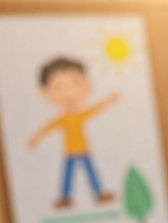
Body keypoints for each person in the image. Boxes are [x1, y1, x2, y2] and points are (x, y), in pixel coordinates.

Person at [27, 56, 119, 209]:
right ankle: (65, 198)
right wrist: (35, 138)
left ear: (88, 86)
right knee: (68, 175)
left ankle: (99, 193)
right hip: (69, 152)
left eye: (76, 83)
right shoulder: (61, 119)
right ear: (45, 93)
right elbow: (47, 128)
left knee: (90, 172)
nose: (68, 93)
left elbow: (96, 109)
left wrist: (109, 100)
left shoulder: (80, 115)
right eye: (58, 87)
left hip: (83, 150)